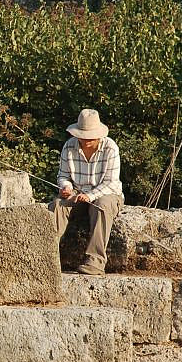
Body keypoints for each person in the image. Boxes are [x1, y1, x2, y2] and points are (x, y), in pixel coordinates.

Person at [49, 108, 124, 275]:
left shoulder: (111, 148)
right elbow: (63, 176)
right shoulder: (69, 146)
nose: (86, 140)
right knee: (57, 205)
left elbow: (111, 183)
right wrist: (66, 187)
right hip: (77, 193)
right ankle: (48, 257)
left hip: (106, 194)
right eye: (83, 136)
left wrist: (90, 196)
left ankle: (95, 261)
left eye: (90, 136)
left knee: (102, 205)